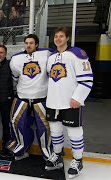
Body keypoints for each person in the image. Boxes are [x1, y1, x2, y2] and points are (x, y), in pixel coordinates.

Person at [45, 27, 93, 179]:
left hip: (70, 102)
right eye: (56, 36)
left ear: (67, 38)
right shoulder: (51, 57)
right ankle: (58, 156)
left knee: (74, 132)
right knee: (56, 132)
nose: (58, 39)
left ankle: (78, 160)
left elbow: (87, 79)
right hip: (53, 102)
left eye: (61, 36)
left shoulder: (77, 54)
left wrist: (78, 98)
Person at [6, 34, 53, 161]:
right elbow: (15, 78)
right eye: (26, 43)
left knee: (45, 127)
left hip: (41, 97)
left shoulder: (47, 54)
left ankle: (47, 152)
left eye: (31, 43)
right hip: (22, 97)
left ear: (36, 44)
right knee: (17, 123)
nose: (28, 45)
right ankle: (21, 148)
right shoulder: (16, 59)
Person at [0, 45, 14, 155]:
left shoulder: (10, 64)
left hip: (6, 99)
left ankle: (6, 146)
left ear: (5, 53)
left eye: (1, 52)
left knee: (6, 124)